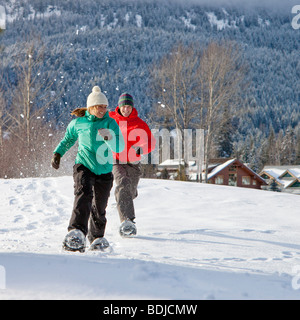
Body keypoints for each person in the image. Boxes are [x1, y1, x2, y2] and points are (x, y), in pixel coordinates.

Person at [51, 86, 124, 252]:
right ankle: (76, 232)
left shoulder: (110, 122)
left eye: (105, 107)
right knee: (83, 194)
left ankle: (97, 238)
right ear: (91, 107)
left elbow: (120, 146)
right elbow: (68, 139)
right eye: (100, 107)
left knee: (99, 206)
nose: (103, 110)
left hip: (105, 169)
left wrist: (109, 137)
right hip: (84, 165)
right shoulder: (78, 123)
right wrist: (57, 153)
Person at [109, 92, 156, 237]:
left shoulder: (139, 123)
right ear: (119, 106)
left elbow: (150, 142)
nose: (126, 109)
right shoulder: (111, 119)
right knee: (122, 184)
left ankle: (124, 197)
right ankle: (127, 222)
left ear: (132, 107)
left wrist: (141, 148)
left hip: (133, 162)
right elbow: (96, 119)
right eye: (124, 106)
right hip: (116, 161)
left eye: (129, 107)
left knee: (130, 190)